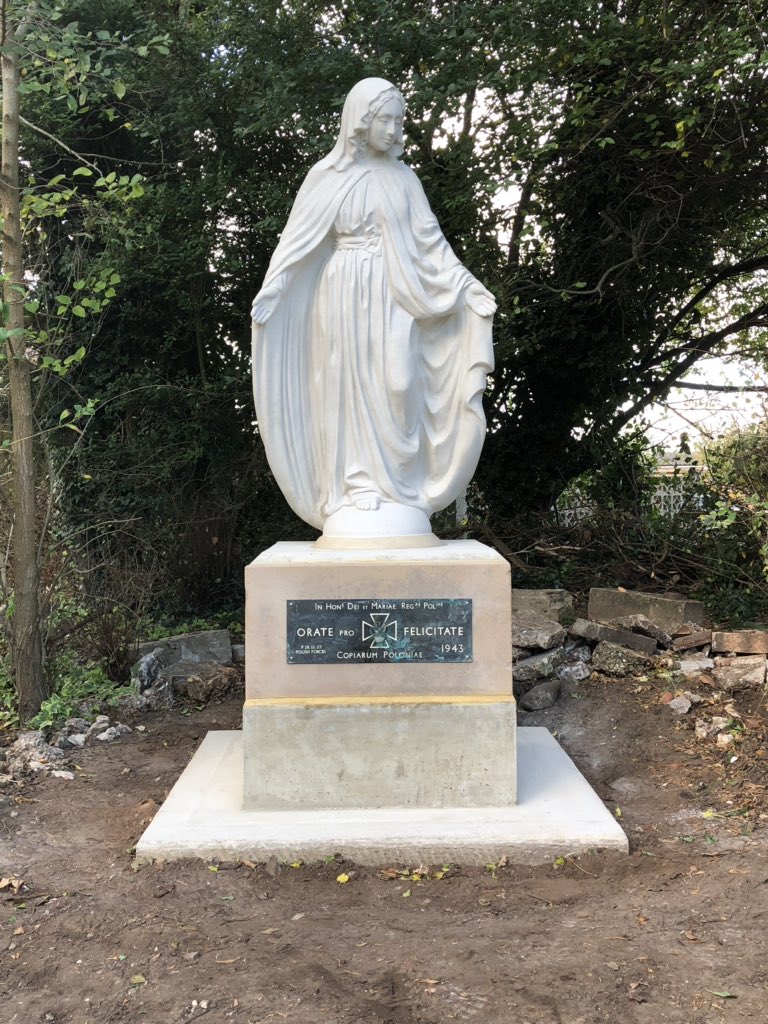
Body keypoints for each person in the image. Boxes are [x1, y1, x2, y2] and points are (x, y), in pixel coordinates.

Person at [251, 77, 495, 543]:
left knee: (399, 383)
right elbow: (297, 243)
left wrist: (466, 286)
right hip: (343, 290)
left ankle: (400, 489)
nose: (396, 130)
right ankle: (355, 483)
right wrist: (275, 288)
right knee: (344, 385)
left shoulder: (405, 179)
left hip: (396, 291)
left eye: (399, 121)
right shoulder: (327, 176)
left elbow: (432, 243)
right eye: (387, 120)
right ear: (361, 122)